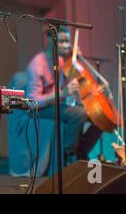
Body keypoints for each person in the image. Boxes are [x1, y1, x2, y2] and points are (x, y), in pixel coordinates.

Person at [25, 26, 102, 161]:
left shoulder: (61, 61)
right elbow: (32, 102)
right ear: (50, 40)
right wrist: (62, 93)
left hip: (57, 103)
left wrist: (78, 60)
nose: (66, 46)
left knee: (98, 116)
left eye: (67, 41)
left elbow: (71, 84)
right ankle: (69, 155)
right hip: (40, 109)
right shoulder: (37, 64)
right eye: (62, 42)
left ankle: (81, 152)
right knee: (79, 114)